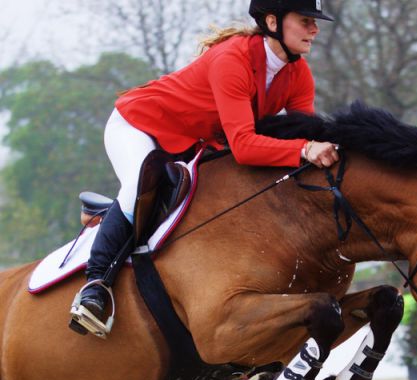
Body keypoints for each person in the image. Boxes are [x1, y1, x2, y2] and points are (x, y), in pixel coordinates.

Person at [69, 0, 340, 337]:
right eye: (305, 21)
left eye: (314, 22)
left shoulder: (298, 73)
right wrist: (303, 149)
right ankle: (94, 288)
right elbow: (244, 145)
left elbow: (306, 134)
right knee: (139, 186)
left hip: (190, 142)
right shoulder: (233, 59)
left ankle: (114, 219)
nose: (314, 29)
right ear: (272, 21)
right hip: (140, 126)